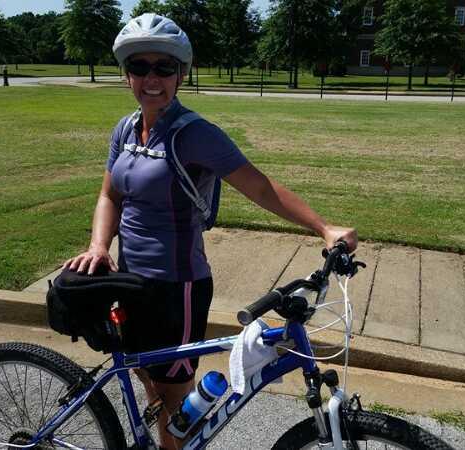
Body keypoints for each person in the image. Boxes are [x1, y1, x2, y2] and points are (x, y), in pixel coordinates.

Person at [63, 13, 357, 450]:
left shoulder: (195, 135)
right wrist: (98, 245)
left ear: (181, 73)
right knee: (147, 378)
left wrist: (323, 227)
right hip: (129, 280)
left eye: (164, 67)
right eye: (139, 67)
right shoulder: (125, 130)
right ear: (127, 75)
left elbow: (260, 186)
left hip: (177, 289)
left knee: (177, 405)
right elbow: (110, 196)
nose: (152, 78)